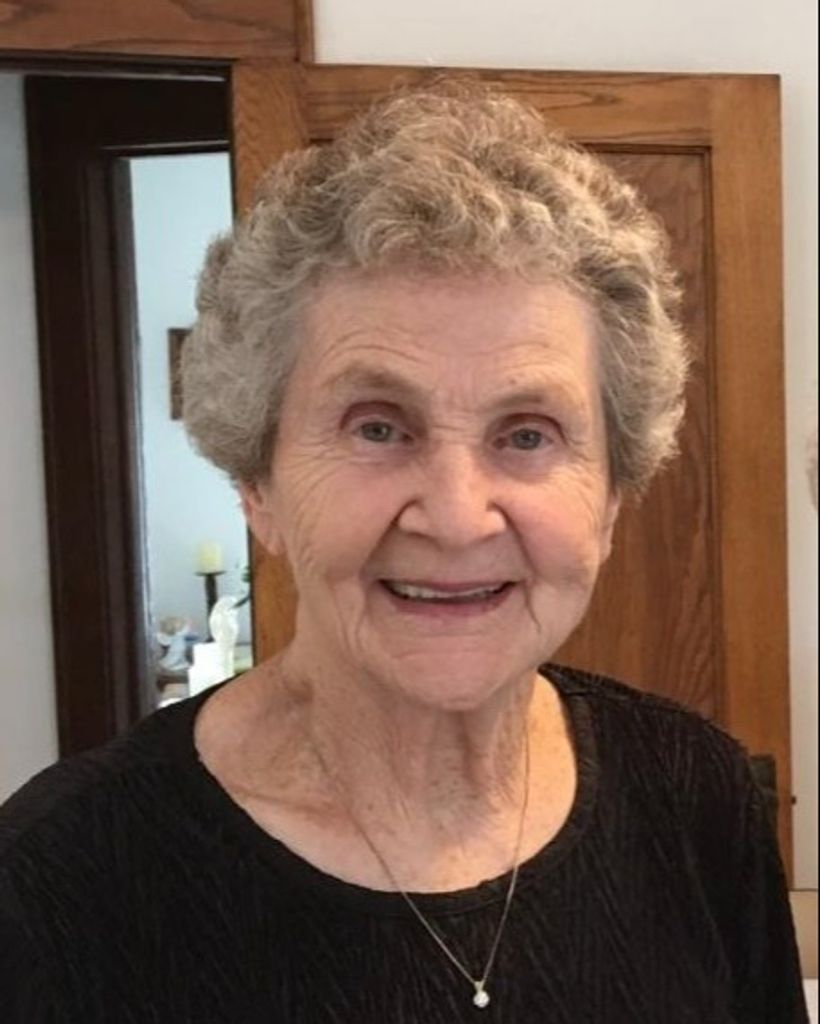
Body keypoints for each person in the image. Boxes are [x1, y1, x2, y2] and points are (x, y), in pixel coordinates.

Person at [0, 83, 808, 1023]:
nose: (458, 519)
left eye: (528, 433)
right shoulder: (58, 881)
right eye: (378, 427)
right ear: (256, 483)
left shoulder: (694, 797)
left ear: (612, 498)